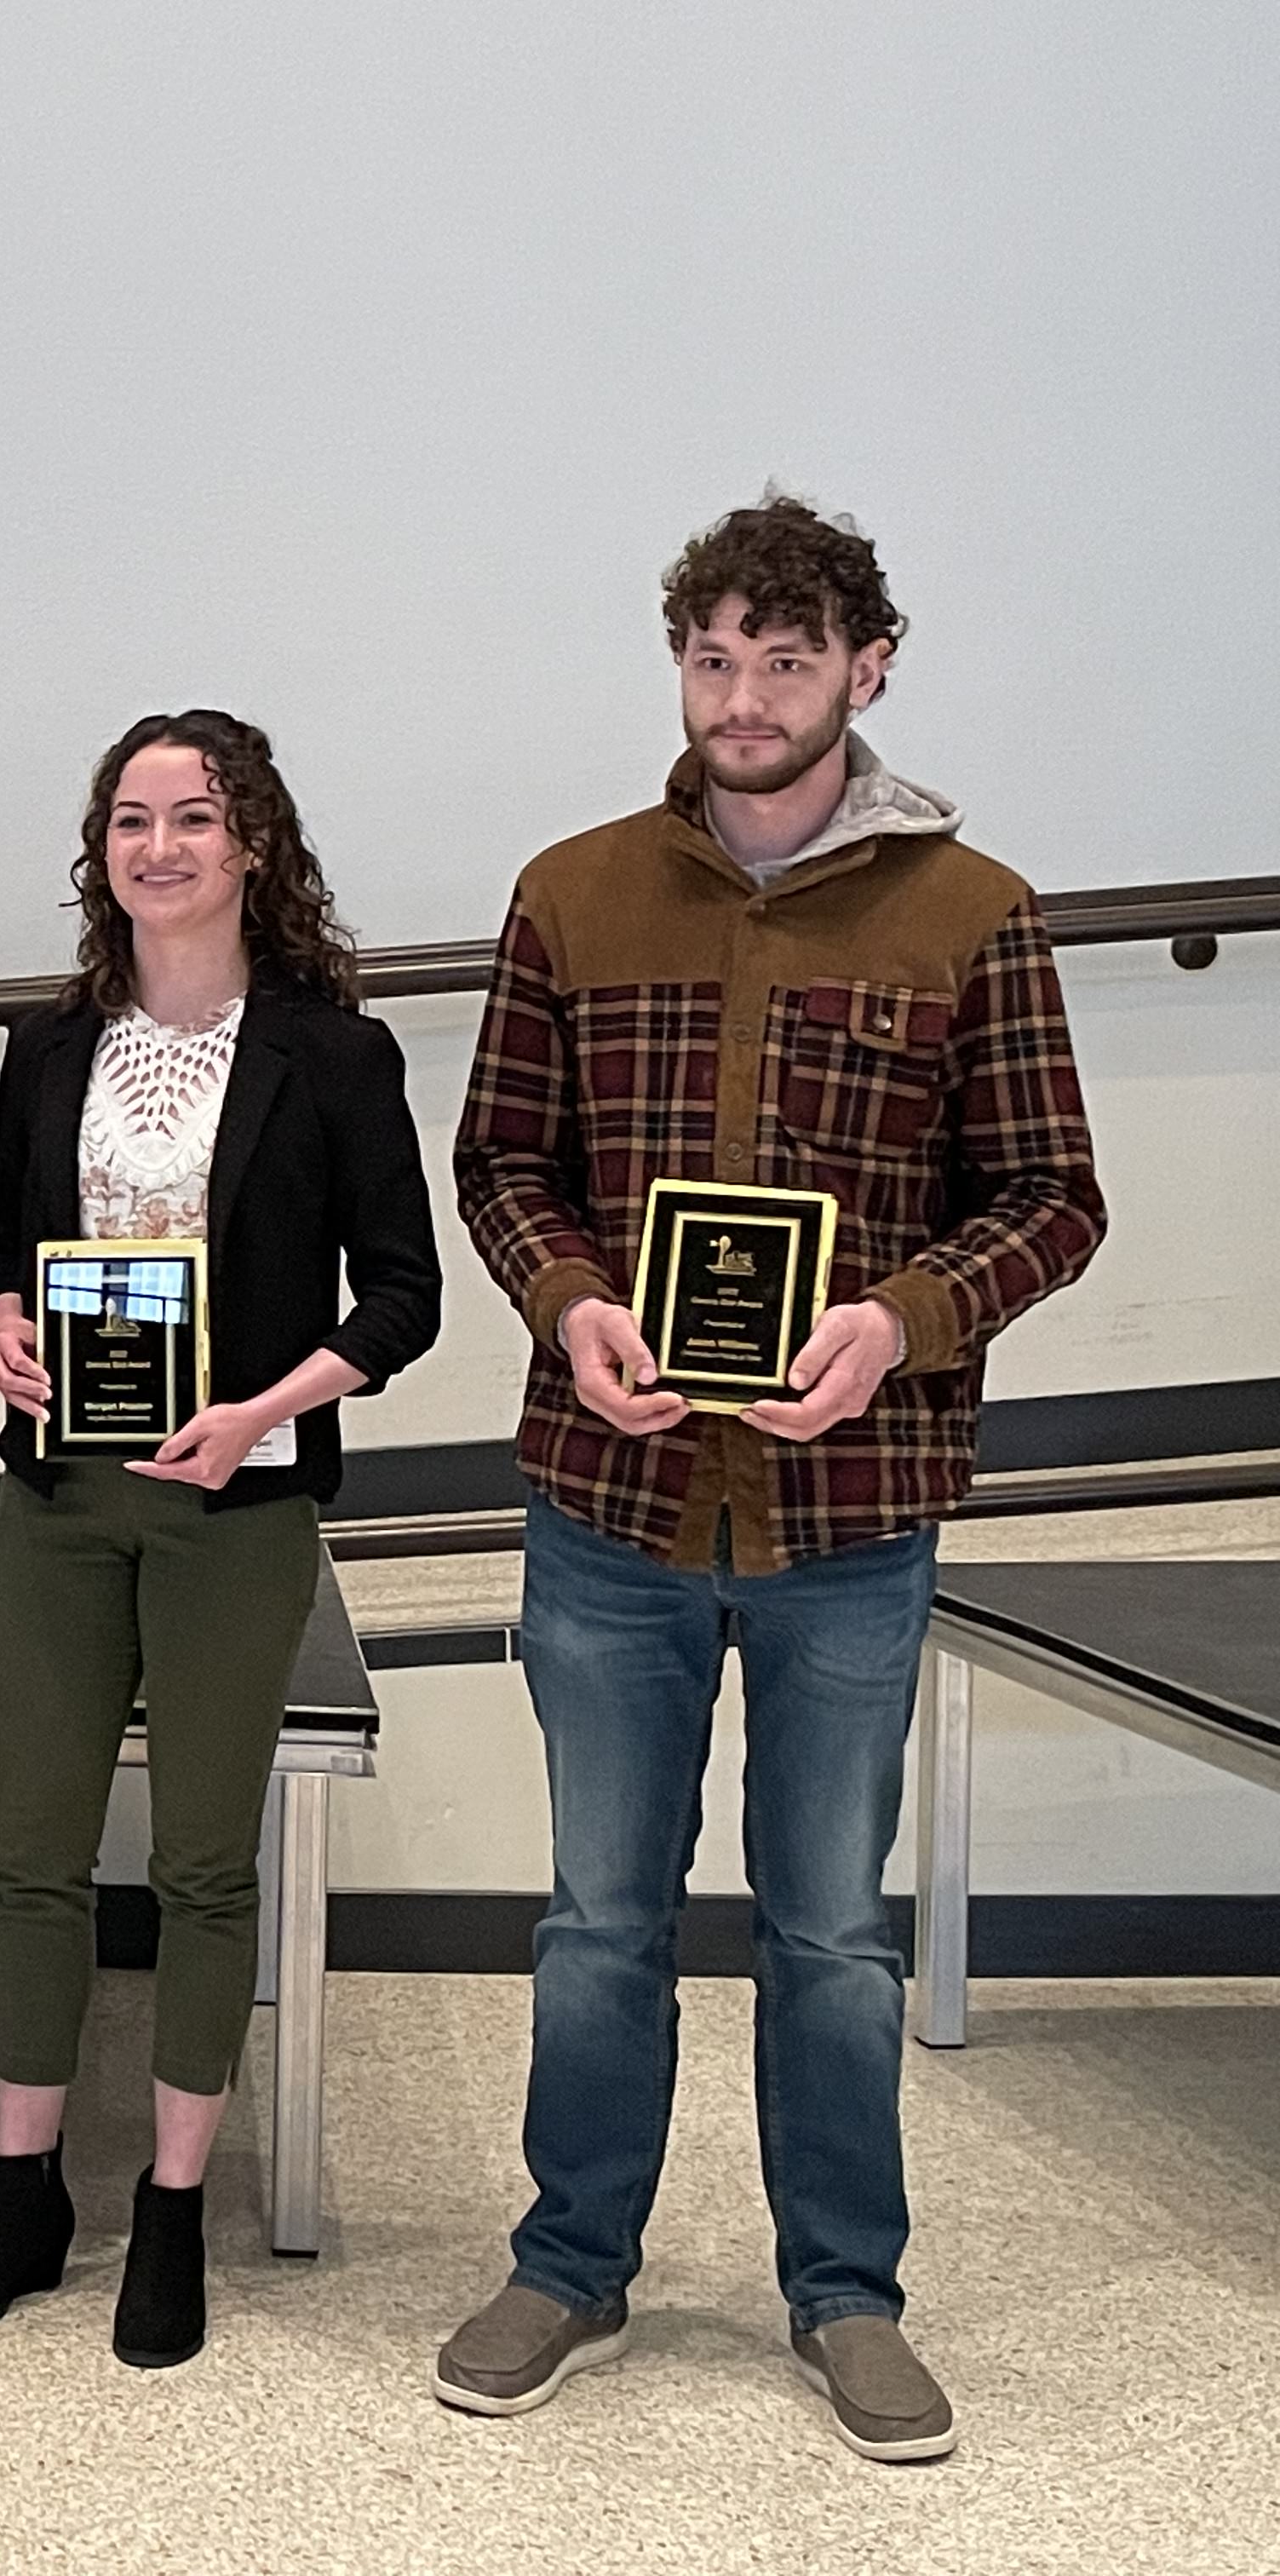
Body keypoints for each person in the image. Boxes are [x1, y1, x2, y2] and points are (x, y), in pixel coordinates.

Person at [440, 497, 1105, 2460]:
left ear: (866, 671)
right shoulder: (572, 891)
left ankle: (846, 2294)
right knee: (596, 1922)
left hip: (849, 1521)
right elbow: (501, 1167)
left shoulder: (972, 912)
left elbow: (1054, 1199)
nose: (745, 697)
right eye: (715, 658)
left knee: (830, 1931)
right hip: (611, 1510)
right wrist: (570, 1305)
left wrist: (900, 1319)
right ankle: (571, 2261)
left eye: (786, 661)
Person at [0, 711, 440, 2363]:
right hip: (62, 1498)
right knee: (32, 1857)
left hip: (241, 1499)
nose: (158, 847)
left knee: (207, 1866)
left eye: (192, 818)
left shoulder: (335, 1055)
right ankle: (23, 2189)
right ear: (104, 856)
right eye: (129, 821)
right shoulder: (53, 1047)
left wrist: (264, 1405)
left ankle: (174, 2210)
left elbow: (405, 1296)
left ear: (253, 845)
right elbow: (3, 1248)